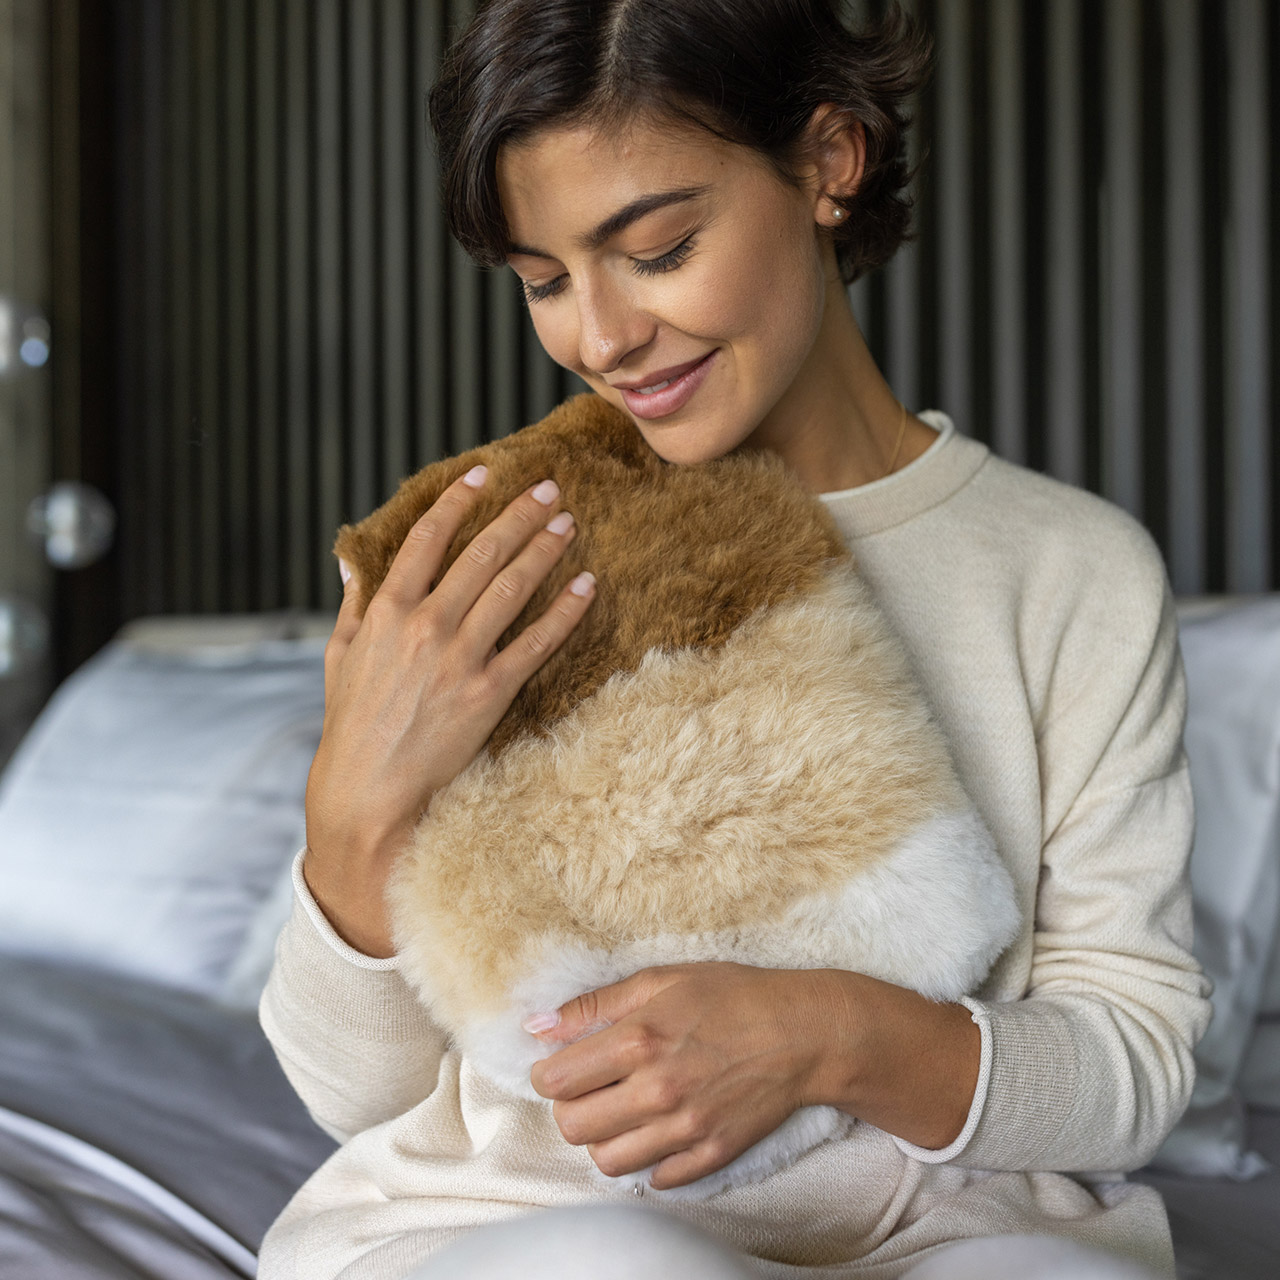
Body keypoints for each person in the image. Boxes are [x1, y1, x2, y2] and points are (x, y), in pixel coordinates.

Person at [257, 2, 1211, 1276]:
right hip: (533, 1224)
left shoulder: (1071, 571)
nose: (599, 339)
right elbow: (351, 1095)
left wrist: (828, 1032)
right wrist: (349, 814)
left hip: (949, 1226)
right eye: (544, 281)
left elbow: (1132, 1058)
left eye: (656, 248)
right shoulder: (487, 550)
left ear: (827, 161)